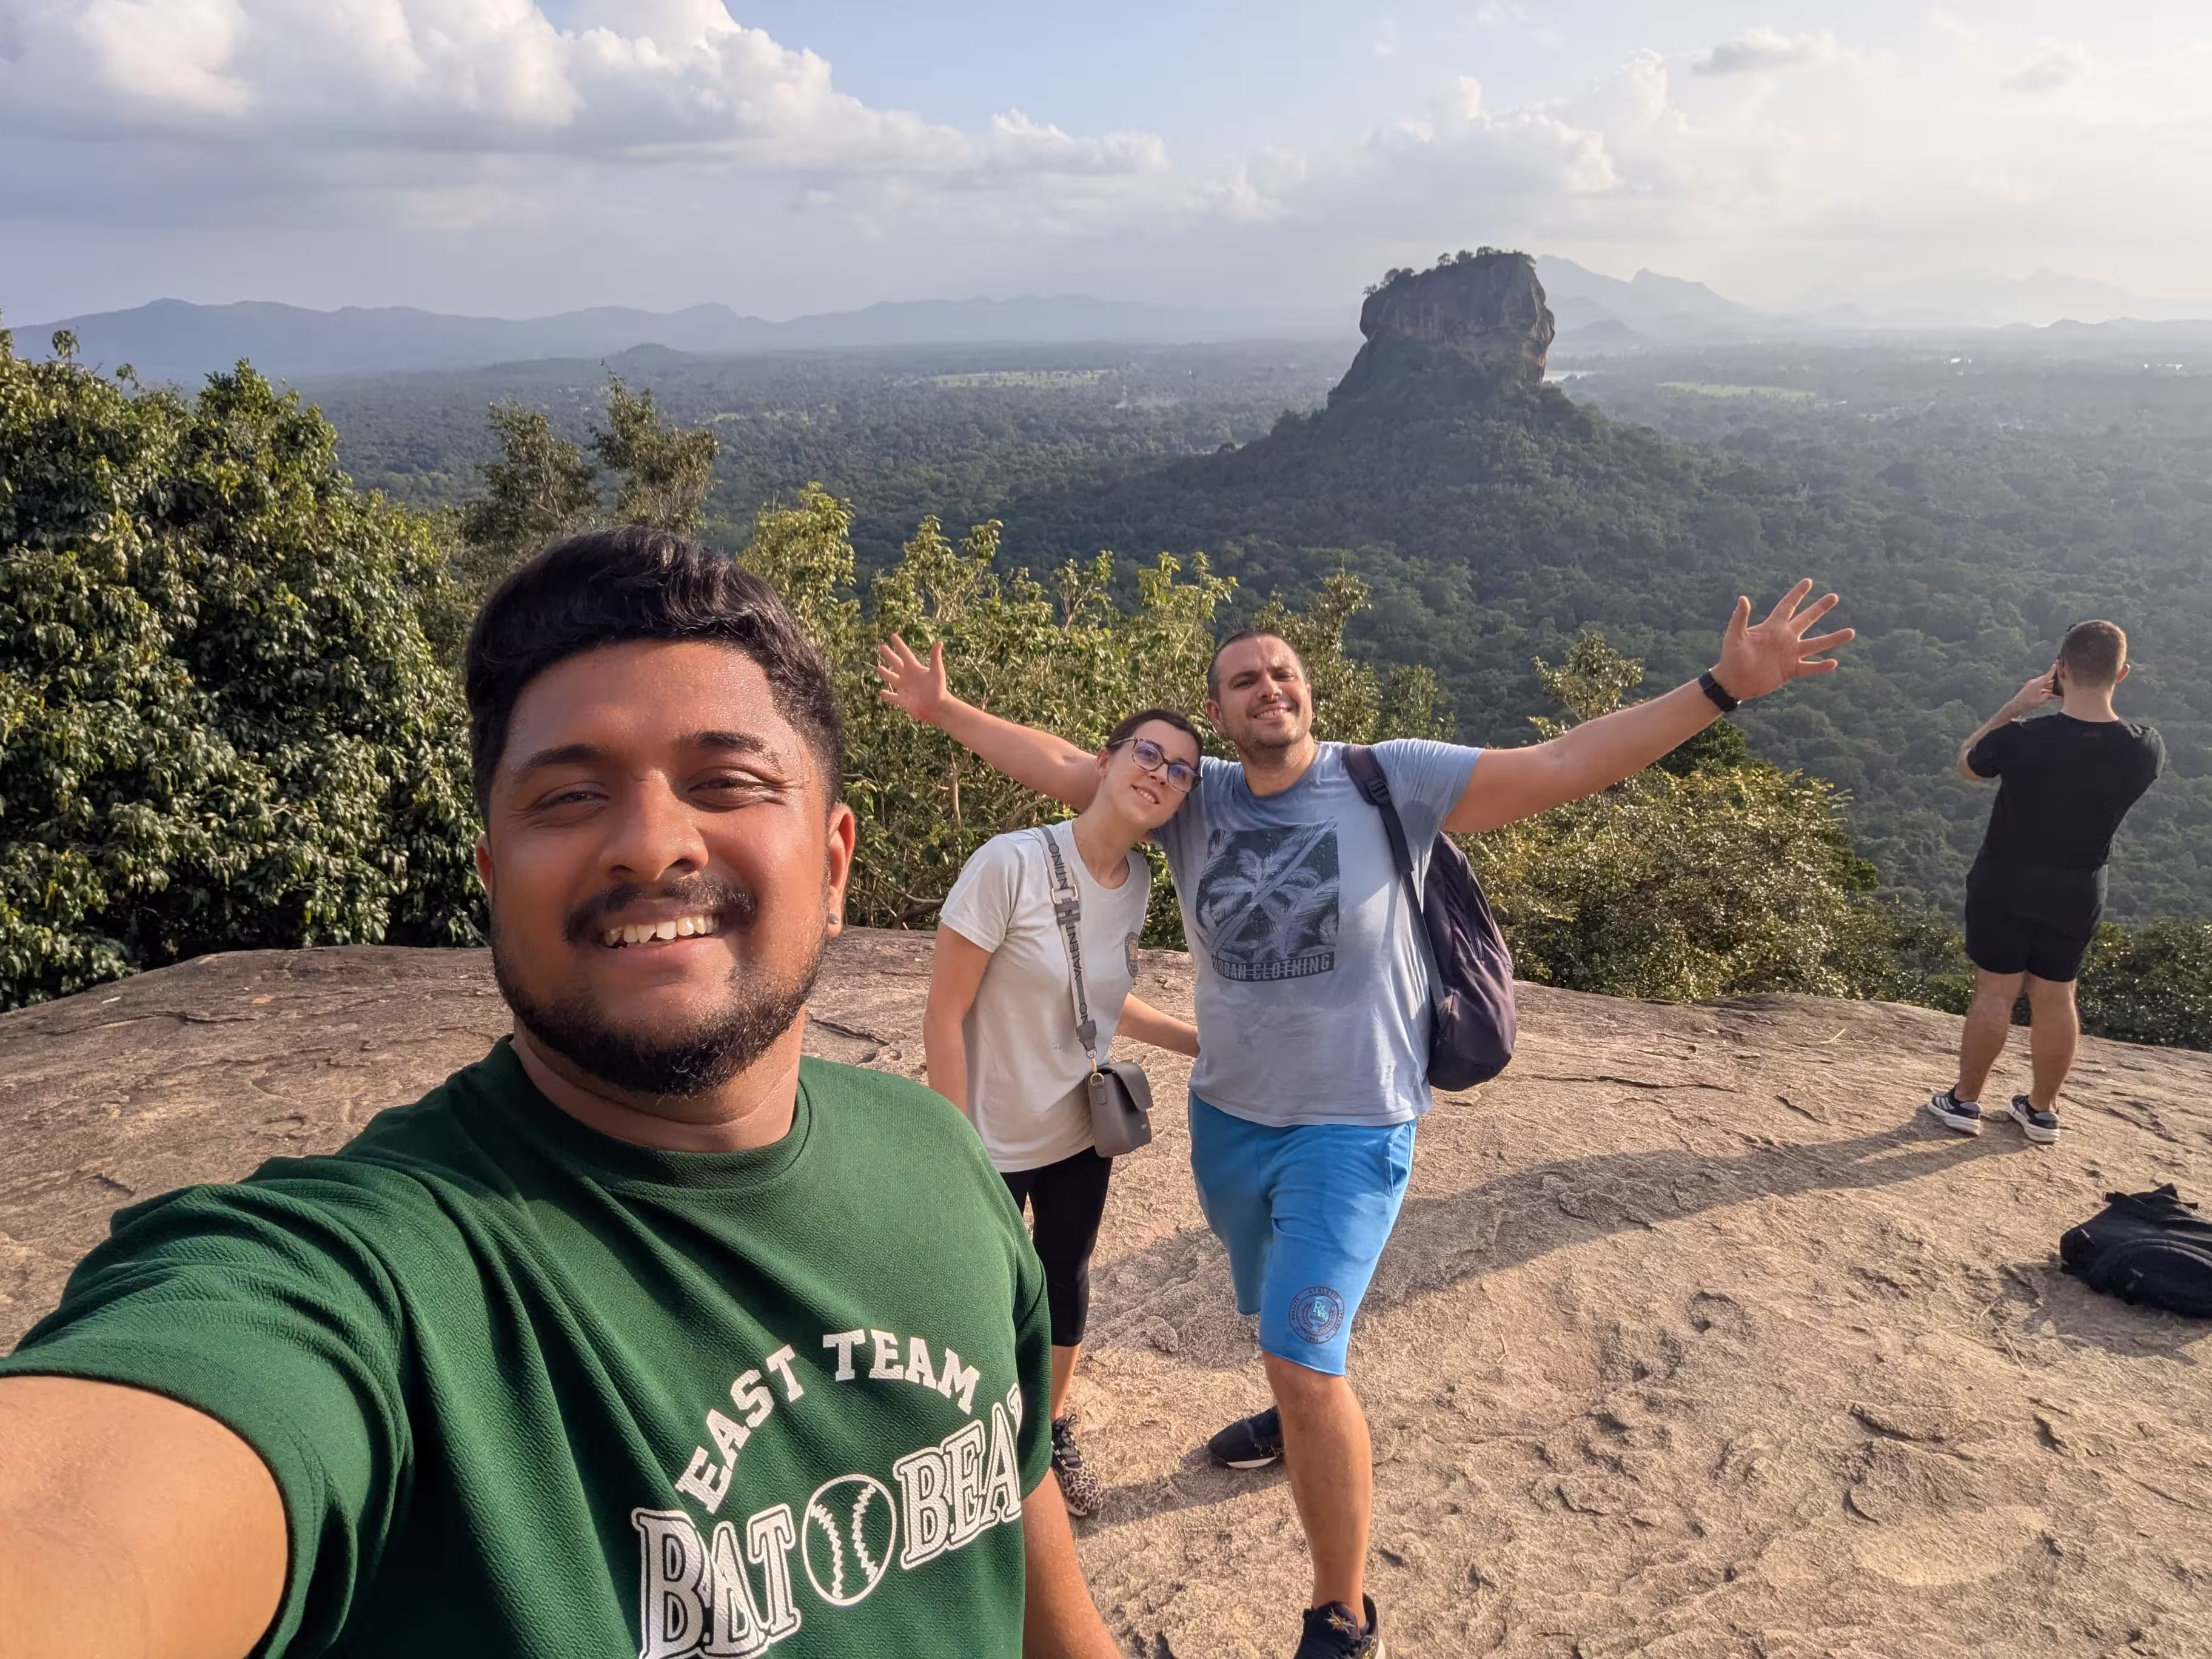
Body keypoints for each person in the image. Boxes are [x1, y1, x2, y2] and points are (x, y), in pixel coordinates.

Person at [0, 528, 1119, 1659]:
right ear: (492, 878)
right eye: (569, 796)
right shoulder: (380, 1283)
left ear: (832, 867)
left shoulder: (936, 1159)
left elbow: (1018, 1545)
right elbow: (92, 1503)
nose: (647, 844)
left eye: (724, 781)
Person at [877, 581, 1854, 1659]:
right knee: (1275, 1323)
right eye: (1242, 679)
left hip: (1352, 1123)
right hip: (1229, 1125)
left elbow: (1562, 764)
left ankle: (1340, 1612)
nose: (1267, 688)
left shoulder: (1390, 777)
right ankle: (1296, 1421)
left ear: (1308, 689)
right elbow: (1066, 766)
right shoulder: (1192, 794)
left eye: (1281, 671)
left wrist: (1719, 688)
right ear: (1220, 710)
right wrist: (942, 711)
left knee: (1302, 1357)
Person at [925, 709, 1204, 1518]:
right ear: (1106, 758)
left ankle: (1044, 1433)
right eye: (1147, 753)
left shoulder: (1139, 885)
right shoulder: (1008, 863)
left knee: (1064, 1277)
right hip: (986, 1138)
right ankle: (961, 1434)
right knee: (975, 1291)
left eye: (1180, 768)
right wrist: (953, 1143)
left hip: (1077, 1131)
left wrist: (1197, 1043)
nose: (1159, 772)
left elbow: (1104, 1001)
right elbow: (945, 1013)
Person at [1926, 620, 2165, 1147]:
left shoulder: (2020, 738)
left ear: (2058, 671)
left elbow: (1968, 764)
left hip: (2004, 881)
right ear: (2121, 673)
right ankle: (2041, 1111)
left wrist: (2012, 708)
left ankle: (1964, 1102)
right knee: (2058, 996)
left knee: (1996, 991)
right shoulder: (2145, 748)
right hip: (2078, 889)